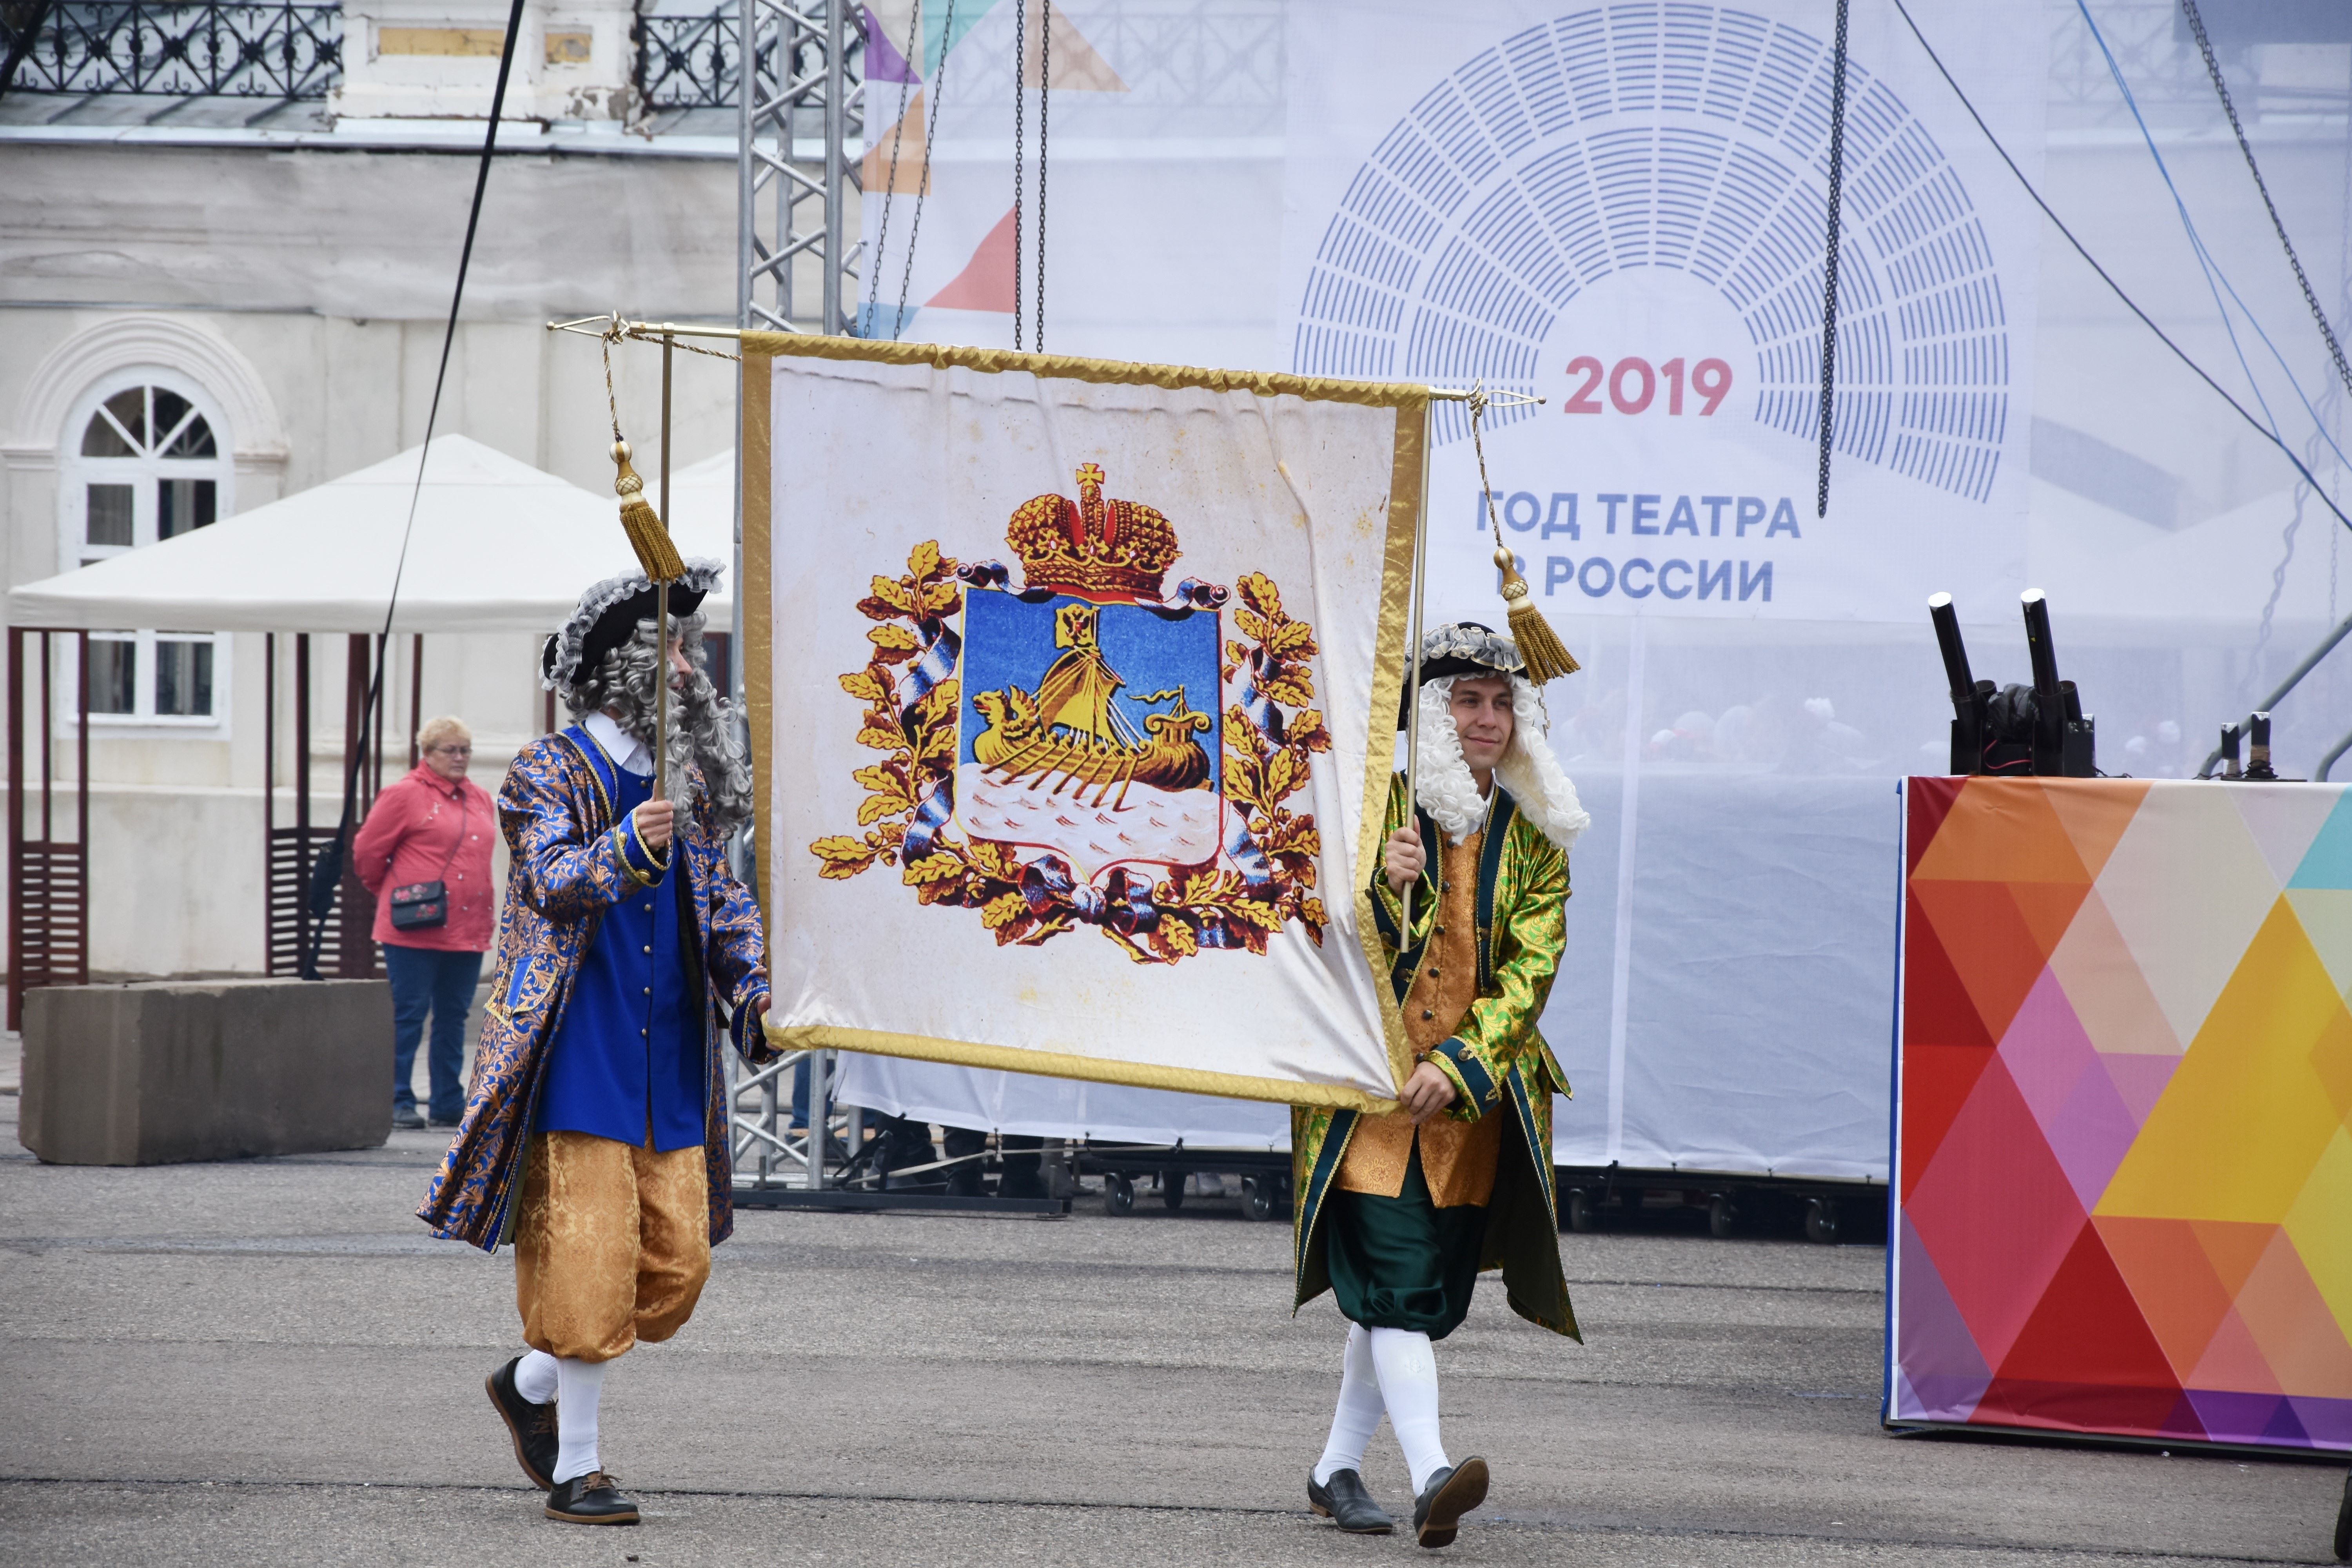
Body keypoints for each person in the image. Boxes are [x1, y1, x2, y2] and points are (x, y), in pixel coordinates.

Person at [418, 560, 774, 1527]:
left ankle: (527, 1380)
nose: (687, 665)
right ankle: (579, 1466)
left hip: (669, 1054)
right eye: (669, 647)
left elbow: (725, 905)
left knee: (674, 1270)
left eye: (687, 647)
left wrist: (756, 995)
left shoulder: (688, 777)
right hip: (578, 1046)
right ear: (622, 665)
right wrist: (627, 844)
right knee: (585, 1268)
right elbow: (548, 878)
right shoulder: (546, 768)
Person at [1290, 622, 1590, 1549]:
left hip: (1471, 1112)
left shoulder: (1536, 842)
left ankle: (1335, 1465)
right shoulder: (1366, 811)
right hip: (1368, 1100)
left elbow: (1531, 971)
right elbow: (1313, 933)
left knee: (1406, 1293)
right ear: (1431, 712)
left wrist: (1459, 1066)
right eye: (1468, 700)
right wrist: (1380, 890)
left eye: (1503, 702)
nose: (1489, 718)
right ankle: (1431, 1475)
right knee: (1395, 1288)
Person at [355, 714, 496, 1130]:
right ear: (427, 754)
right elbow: (367, 852)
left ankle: (447, 1099)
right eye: (450, 750)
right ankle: (399, 1097)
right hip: (413, 928)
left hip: (467, 927)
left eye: (465, 750)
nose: (459, 757)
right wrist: (394, 892)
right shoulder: (404, 795)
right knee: (410, 1012)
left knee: (455, 1015)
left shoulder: (480, 798)